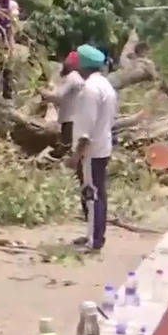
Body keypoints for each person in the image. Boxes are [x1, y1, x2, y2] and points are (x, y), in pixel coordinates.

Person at [66, 45, 116, 251]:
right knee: (96, 193)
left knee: (92, 195)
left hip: (91, 151)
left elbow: (86, 129)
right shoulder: (105, 85)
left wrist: (76, 156)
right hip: (102, 146)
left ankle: (95, 240)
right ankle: (91, 235)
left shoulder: (89, 90)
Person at [41, 51, 87, 217]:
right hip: (70, 118)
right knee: (66, 147)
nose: (64, 64)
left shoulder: (73, 77)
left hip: (71, 119)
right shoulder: (73, 78)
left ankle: (56, 173)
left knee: (66, 148)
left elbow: (58, 96)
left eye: (66, 62)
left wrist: (44, 93)